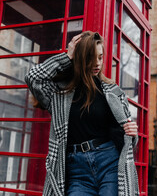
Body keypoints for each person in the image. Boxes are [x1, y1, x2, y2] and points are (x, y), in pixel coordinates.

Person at [25, 31, 139, 196]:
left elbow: (128, 141)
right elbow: (33, 78)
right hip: (77, 171)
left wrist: (131, 133)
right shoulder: (59, 94)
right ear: (80, 58)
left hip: (109, 164)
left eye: (100, 57)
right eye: (91, 58)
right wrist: (67, 56)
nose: (97, 63)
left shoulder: (113, 91)